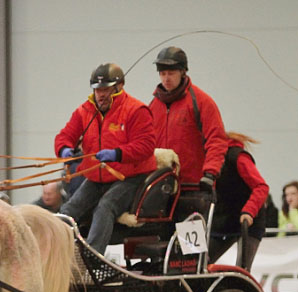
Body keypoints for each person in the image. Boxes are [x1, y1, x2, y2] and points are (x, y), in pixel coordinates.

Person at [55, 63, 156, 254]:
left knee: (105, 207)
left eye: (106, 89)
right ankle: (52, 255)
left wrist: (118, 154)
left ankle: (93, 258)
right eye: (97, 89)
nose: (101, 94)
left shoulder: (136, 110)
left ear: (119, 87)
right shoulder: (85, 111)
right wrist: (64, 149)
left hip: (130, 177)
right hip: (96, 177)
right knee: (68, 211)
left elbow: (146, 146)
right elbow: (65, 135)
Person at [149, 46, 229, 204]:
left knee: (188, 227)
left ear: (182, 72)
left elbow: (217, 140)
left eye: (171, 73)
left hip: (194, 188)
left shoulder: (202, 102)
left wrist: (210, 173)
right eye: (162, 73)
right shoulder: (153, 106)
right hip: (160, 188)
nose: (166, 79)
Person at [208, 132, 269, 270]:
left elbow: (261, 187)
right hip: (223, 222)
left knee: (242, 269)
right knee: (199, 265)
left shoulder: (237, 157)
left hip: (248, 222)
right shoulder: (208, 160)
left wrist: (249, 211)